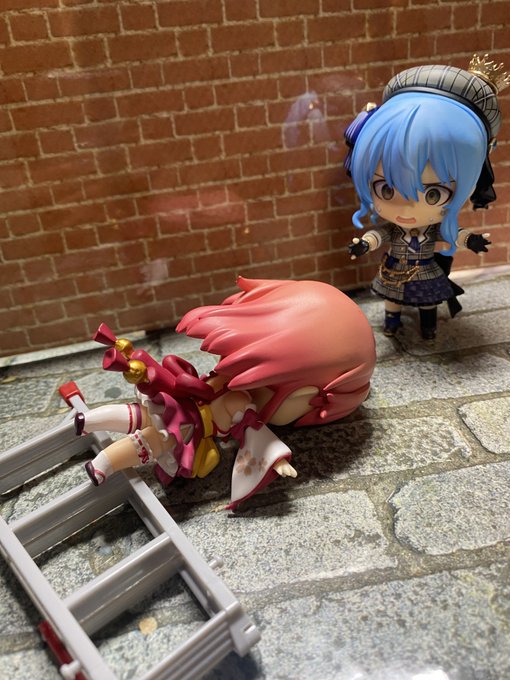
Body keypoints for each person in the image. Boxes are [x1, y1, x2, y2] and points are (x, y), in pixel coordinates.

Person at [76, 277, 376, 509]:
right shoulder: (227, 383)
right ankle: (88, 422)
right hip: (183, 404)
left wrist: (276, 459)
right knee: (139, 415)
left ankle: (104, 463)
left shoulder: (242, 405)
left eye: (267, 383)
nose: (246, 381)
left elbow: (255, 433)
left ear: (310, 396)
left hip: (194, 428)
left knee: (152, 439)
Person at [345, 56, 508, 339]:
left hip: (425, 271)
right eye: (386, 190)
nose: (408, 208)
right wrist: (365, 243)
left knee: (428, 300)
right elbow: (380, 235)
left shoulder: (434, 230)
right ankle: (392, 321)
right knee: (392, 299)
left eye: (434, 194)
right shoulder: (395, 229)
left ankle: (428, 325)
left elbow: (451, 234)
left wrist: (471, 240)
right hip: (395, 271)